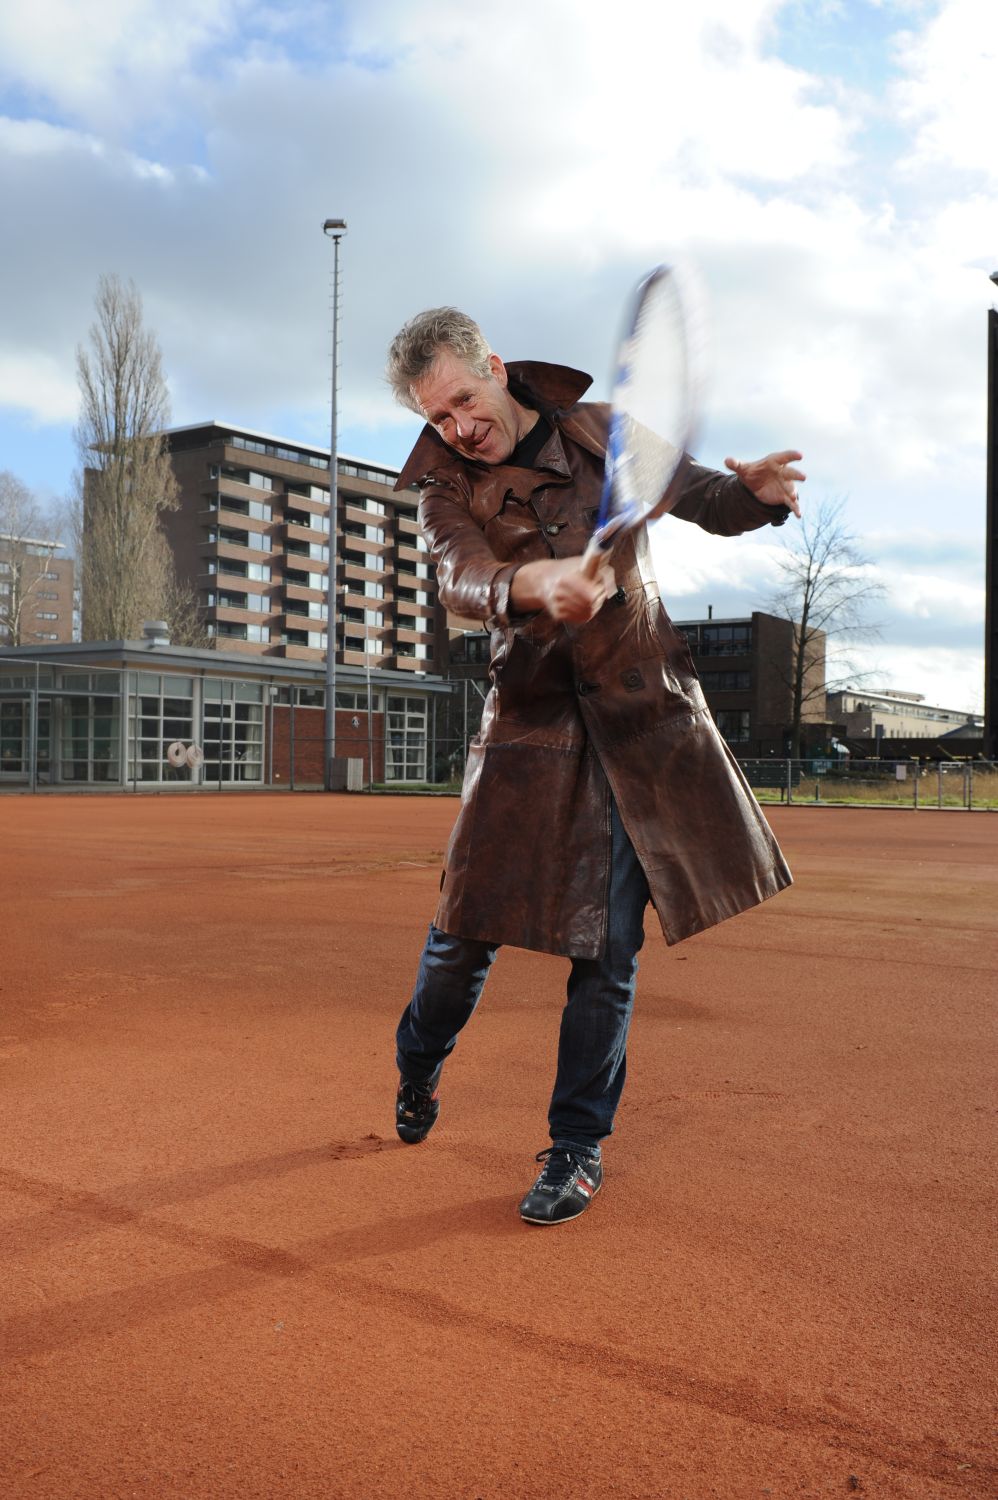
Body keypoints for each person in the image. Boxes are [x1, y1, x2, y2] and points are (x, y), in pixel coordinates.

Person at [385, 306, 803, 1225]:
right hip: (526, 730)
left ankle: (575, 1147)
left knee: (609, 949)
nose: (458, 426)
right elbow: (461, 579)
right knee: (461, 940)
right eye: (437, 416)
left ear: (493, 366)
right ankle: (419, 1062)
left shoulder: (605, 431)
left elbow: (704, 497)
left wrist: (758, 495)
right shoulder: (442, 486)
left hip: (635, 724)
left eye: (463, 399)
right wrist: (539, 583)